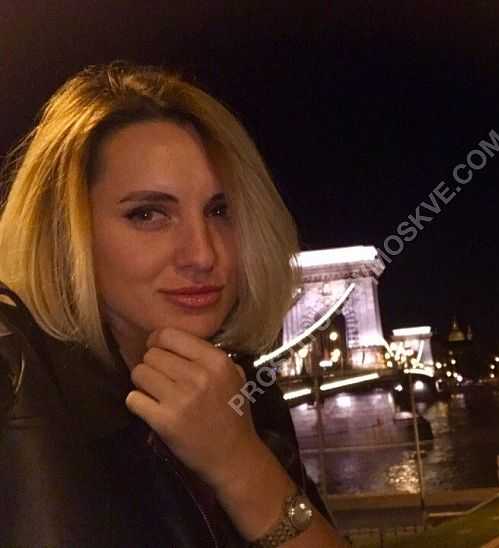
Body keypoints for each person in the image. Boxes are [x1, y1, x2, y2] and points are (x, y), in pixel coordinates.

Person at [0, 61, 348, 547]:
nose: (203, 255)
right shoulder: (13, 383)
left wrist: (241, 463)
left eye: (220, 211)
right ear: (65, 231)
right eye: (148, 214)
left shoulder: (241, 385)